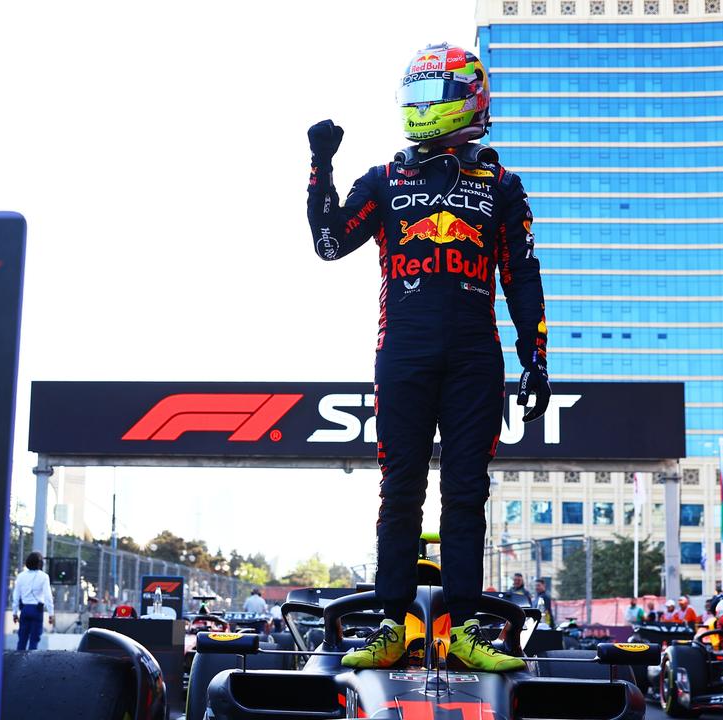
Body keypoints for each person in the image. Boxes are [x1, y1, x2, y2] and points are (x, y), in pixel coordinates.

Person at [309, 41, 549, 672]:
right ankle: (390, 625)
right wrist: (320, 165)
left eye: (433, 96)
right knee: (400, 490)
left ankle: (467, 628)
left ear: (467, 97)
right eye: (413, 96)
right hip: (404, 355)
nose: (421, 108)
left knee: (467, 492)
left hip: (476, 358)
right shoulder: (386, 178)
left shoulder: (501, 183)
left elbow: (522, 276)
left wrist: (537, 356)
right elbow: (330, 244)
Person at [10, 552, 54, 651]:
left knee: (22, 639)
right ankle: (30, 663)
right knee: (34, 640)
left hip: (24, 610)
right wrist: (51, 614)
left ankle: (17, 663)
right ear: (40, 563)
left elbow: (16, 595)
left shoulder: (21, 576)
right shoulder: (44, 576)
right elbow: (48, 596)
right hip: (37, 610)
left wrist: (14, 613)